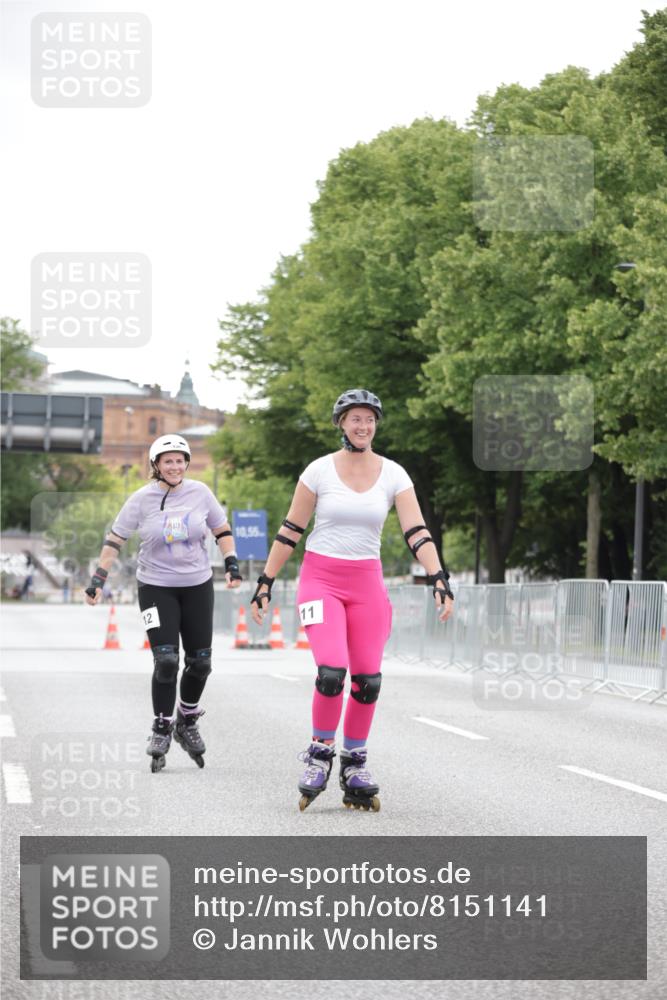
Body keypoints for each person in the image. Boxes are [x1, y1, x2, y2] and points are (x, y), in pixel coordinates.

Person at [250, 389, 454, 811]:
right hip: (320, 580)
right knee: (331, 671)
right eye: (355, 419)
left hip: (367, 584)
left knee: (367, 680)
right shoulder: (318, 471)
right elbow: (291, 530)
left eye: (370, 419)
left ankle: (354, 762)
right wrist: (265, 581)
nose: (363, 426)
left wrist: (438, 576)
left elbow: (416, 531)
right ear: (341, 423)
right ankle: (320, 753)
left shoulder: (394, 474)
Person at [84, 434, 242, 772]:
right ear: (155, 465)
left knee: (200, 663)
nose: (175, 466)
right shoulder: (142, 499)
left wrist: (231, 563)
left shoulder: (201, 493)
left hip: (198, 585)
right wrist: (99, 578)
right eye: (167, 461)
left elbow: (222, 529)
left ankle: (186, 719)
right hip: (155, 587)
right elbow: (115, 539)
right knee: (167, 660)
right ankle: (160, 727)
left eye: (179, 460)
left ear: (186, 463)